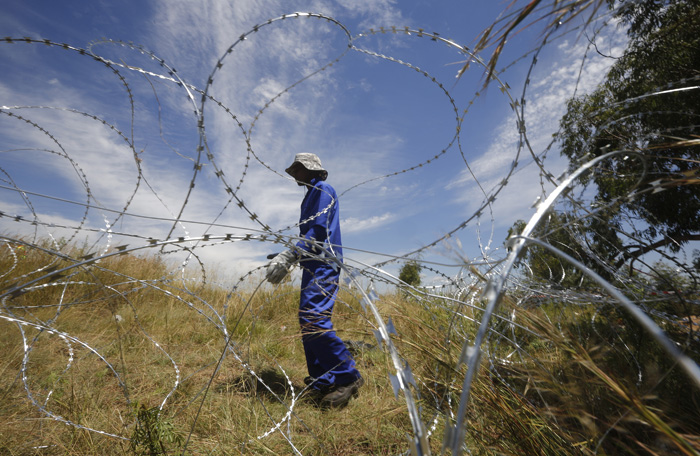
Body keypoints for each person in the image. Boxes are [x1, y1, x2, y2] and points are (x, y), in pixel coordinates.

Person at [265, 153, 363, 408]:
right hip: (312, 264)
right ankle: (323, 378)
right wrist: (289, 254)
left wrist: (291, 254)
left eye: (298, 168)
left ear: (311, 169)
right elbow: (309, 235)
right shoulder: (310, 195)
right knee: (307, 319)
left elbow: (318, 231)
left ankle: (347, 377)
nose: (294, 173)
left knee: (314, 318)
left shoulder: (322, 189)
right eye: (294, 169)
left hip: (324, 264)